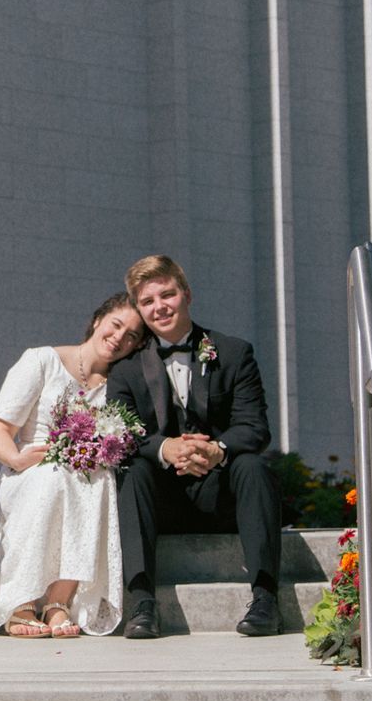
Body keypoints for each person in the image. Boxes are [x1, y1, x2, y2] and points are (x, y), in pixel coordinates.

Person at [0, 294, 146, 638]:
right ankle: (20, 602)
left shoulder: (119, 384)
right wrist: (17, 458)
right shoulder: (41, 361)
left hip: (82, 476)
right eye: (116, 325)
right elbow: (0, 432)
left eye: (131, 336)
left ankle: (58, 602)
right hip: (26, 471)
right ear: (98, 320)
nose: (119, 338)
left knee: (97, 479)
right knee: (54, 477)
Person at [108, 256, 283, 639]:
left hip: (222, 494)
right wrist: (165, 448)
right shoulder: (125, 368)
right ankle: (141, 603)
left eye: (167, 294)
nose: (160, 307)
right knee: (131, 470)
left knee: (254, 466)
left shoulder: (234, 352)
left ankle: (266, 599)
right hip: (163, 499)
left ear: (186, 295)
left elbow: (255, 427)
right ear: (139, 308)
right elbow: (120, 434)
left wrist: (217, 449)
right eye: (148, 301)